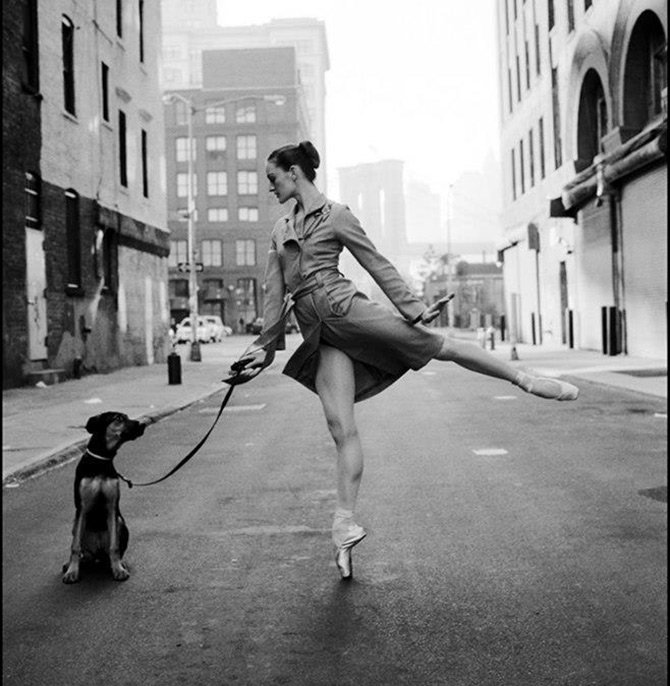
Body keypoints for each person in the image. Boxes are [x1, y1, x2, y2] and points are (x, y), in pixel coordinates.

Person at [230, 141, 579, 580]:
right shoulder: (280, 229)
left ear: (295, 172)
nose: (270, 187)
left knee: (436, 344)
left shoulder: (337, 215)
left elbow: (375, 262)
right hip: (320, 333)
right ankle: (344, 527)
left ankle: (524, 379)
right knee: (341, 427)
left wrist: (411, 308)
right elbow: (273, 295)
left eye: (273, 178)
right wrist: (259, 353)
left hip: (345, 310)